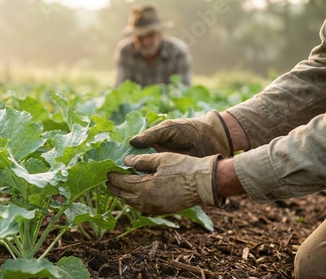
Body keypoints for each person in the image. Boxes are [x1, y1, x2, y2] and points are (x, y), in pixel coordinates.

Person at [107, 19, 326, 278]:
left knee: (314, 268)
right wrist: (215, 131)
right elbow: (319, 74)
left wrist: (208, 178)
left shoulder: (176, 50)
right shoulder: (125, 52)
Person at [114, 5, 192, 88]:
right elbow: (121, 89)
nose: (145, 41)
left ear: (160, 31)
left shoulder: (178, 52)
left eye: (150, 34)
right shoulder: (125, 51)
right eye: (140, 37)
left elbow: (183, 91)